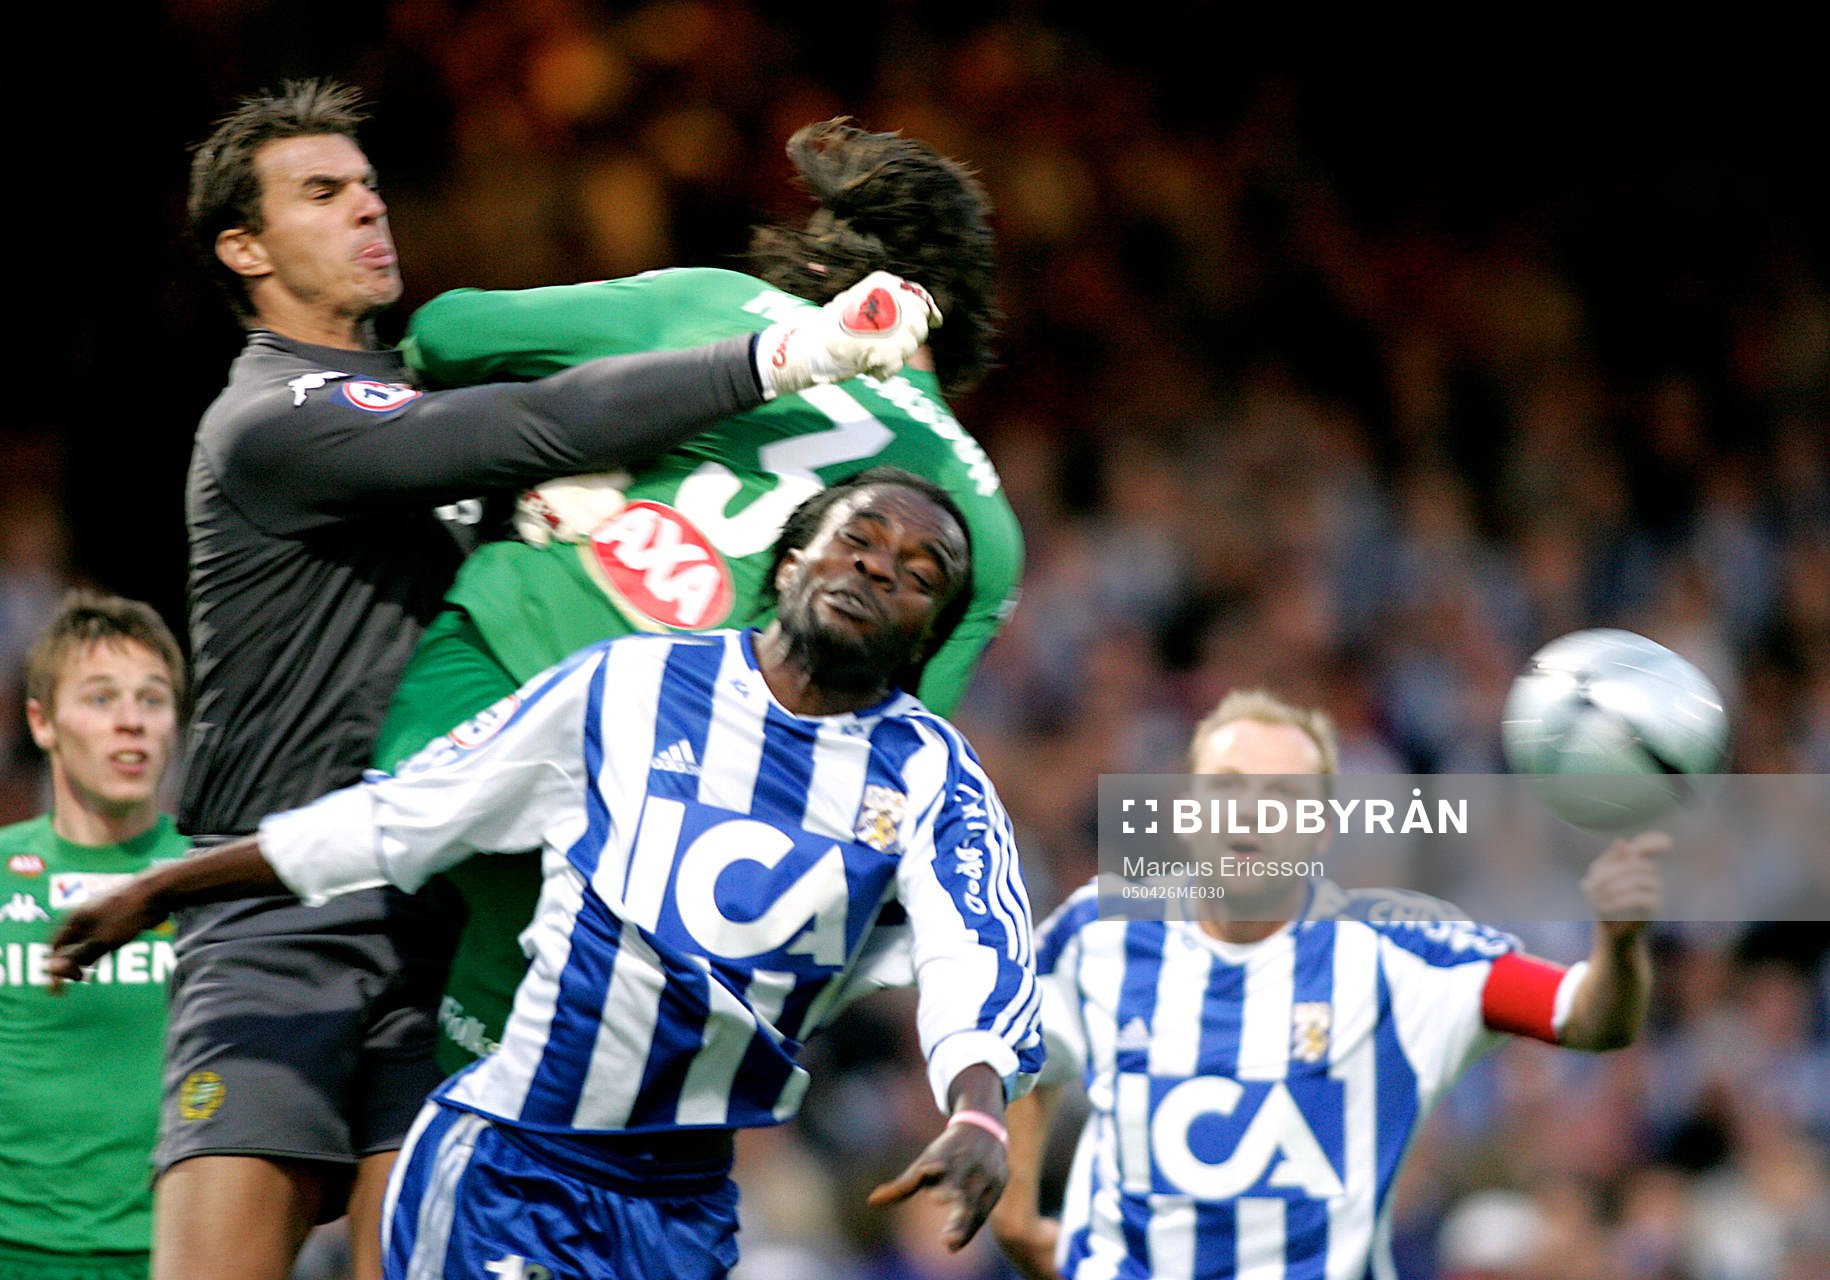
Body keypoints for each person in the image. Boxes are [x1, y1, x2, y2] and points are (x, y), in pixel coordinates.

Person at [172, 79, 939, 1280]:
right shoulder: (271, 416)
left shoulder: (410, 409)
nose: (368, 209)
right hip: (282, 914)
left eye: (369, 184)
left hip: (436, 915)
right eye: (322, 194)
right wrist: (790, 353)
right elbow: (534, 420)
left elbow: (510, 479)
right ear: (245, 246)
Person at [51, 473, 1043, 1280]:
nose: (879, 566)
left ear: (927, 635)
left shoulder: (930, 774)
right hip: (515, 1161)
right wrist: (163, 886)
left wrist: (977, 1106)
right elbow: (406, 815)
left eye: (921, 573)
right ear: (790, 559)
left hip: (683, 1207)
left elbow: (977, 951)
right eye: (859, 536)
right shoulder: (631, 683)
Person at [367, 116, 1022, 1075]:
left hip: (472, 705)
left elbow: (445, 333)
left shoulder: (724, 307)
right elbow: (883, 751)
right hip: (663, 834)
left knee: (344, 1000)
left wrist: (587, 444)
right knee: (489, 1104)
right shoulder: (985, 527)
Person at [989, 689, 1668, 1280]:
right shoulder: (1099, 928)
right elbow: (1025, 1040)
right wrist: (1015, 1213)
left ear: (1321, 832)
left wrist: (1620, 943)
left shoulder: (1403, 953)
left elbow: (1585, 1018)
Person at [0, 591, 188, 1280]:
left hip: (175, 1251)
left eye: (154, 699)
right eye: (102, 699)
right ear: (41, 722)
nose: (132, 722)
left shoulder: (215, 877)